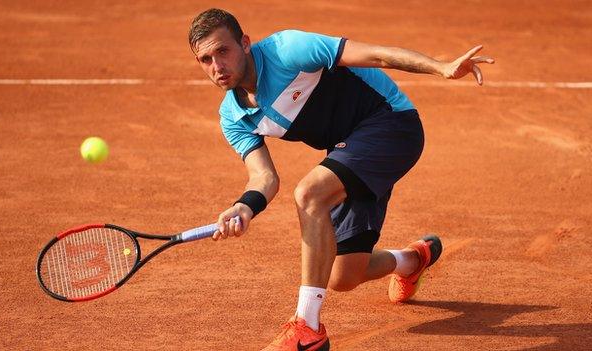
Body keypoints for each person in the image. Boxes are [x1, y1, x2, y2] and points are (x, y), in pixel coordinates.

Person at [188, 8, 494, 351]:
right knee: (341, 276)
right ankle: (413, 260)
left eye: (223, 51)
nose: (217, 67)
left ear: (245, 43)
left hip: (391, 123)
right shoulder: (233, 116)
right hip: (348, 150)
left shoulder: (287, 49)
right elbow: (264, 177)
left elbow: (377, 54)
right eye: (205, 59)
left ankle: (307, 327)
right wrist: (243, 207)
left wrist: (441, 67)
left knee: (310, 193)